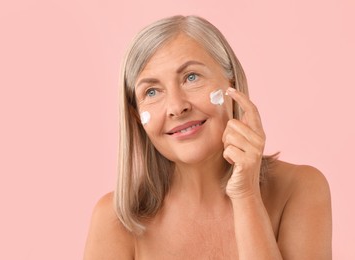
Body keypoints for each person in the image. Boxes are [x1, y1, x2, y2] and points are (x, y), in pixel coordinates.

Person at [84, 15, 332, 259]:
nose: (176, 106)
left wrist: (246, 196)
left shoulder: (299, 189)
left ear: (231, 81)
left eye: (191, 77)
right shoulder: (114, 220)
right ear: (136, 116)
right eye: (151, 91)